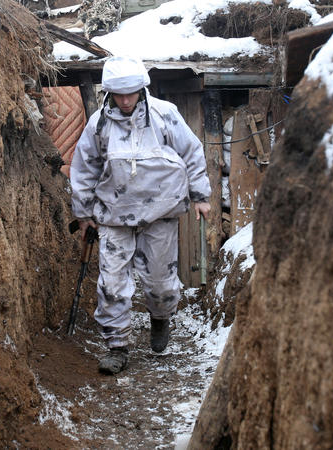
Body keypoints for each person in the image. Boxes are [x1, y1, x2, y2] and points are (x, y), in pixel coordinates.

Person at [69, 56, 211, 375]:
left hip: (160, 211)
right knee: (113, 282)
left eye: (130, 93)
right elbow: (84, 167)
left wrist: (201, 195)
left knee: (160, 282)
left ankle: (160, 318)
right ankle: (117, 346)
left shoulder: (165, 115)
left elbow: (192, 152)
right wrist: (83, 213)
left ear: (141, 89)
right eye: (118, 94)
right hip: (113, 215)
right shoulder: (99, 125)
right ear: (109, 93)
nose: (125, 100)